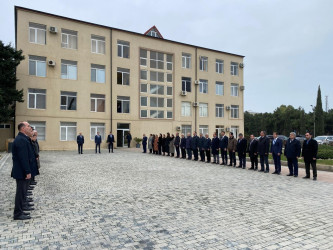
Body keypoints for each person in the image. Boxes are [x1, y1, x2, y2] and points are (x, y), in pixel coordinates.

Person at [11, 122, 36, 220]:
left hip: (23, 171)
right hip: (22, 172)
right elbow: (23, 158)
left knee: (23, 191)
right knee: (20, 192)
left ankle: (23, 206)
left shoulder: (23, 138)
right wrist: (27, 171)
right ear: (23, 128)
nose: (30, 128)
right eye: (28, 126)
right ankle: (18, 214)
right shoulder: (21, 140)